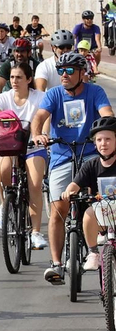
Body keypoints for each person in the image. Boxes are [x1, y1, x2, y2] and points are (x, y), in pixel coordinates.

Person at [31, 52, 115, 284]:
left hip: (90, 154)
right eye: (61, 71)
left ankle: (98, 246)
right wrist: (38, 134)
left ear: (82, 73)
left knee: (100, 202)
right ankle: (56, 263)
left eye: (69, 70)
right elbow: (39, 117)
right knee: (58, 207)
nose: (64, 75)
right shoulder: (54, 94)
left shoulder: (95, 92)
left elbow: (106, 114)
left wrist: (108, 128)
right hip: (61, 155)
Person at [0, 62, 49, 243]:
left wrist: (42, 135)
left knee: (34, 184)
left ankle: (36, 233)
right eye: (12, 77)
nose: (14, 81)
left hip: (34, 146)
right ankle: (5, 205)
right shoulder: (3, 98)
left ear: (29, 79)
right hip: (11, 146)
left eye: (19, 77)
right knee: (3, 171)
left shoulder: (40, 97)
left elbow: (45, 119)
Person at [61, 117, 116, 272]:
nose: (103, 143)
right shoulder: (91, 165)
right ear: (94, 143)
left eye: (108, 139)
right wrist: (68, 191)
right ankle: (93, 252)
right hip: (101, 215)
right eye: (99, 140)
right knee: (88, 213)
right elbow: (75, 184)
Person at [74, 10, 103, 75]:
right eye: (87, 19)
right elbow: (73, 37)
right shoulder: (78, 27)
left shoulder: (96, 27)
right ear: (83, 19)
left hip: (91, 48)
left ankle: (94, 70)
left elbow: (97, 38)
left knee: (97, 53)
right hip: (80, 48)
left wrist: (99, 48)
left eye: (91, 18)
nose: (89, 20)